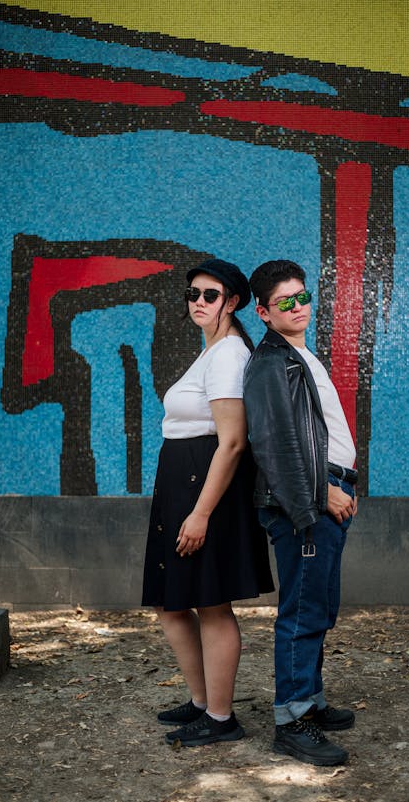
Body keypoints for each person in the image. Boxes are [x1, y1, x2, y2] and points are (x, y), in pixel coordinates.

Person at [142, 257, 274, 748]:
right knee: (171, 601)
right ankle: (202, 703)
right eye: (193, 293)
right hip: (184, 482)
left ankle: (221, 717)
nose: (199, 302)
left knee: (211, 605)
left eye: (210, 295)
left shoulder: (227, 355)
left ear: (232, 301)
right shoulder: (213, 350)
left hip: (205, 488)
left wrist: (200, 512)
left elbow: (233, 441)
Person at [243, 259, 358, 766]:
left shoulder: (298, 355)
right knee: (302, 612)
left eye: (303, 295)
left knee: (319, 606)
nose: (299, 306)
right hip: (304, 505)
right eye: (285, 301)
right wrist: (318, 496)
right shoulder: (271, 362)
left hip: (323, 495)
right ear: (264, 313)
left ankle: (309, 700)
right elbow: (274, 444)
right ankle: (290, 722)